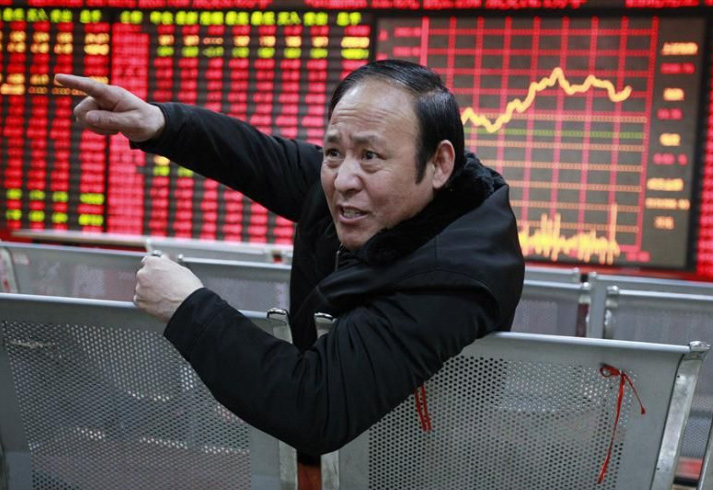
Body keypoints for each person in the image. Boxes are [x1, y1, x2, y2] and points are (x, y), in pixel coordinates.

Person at [55, 60, 525, 455]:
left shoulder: (455, 278)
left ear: (439, 164)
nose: (343, 179)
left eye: (370, 156)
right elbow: (260, 158)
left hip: (404, 475)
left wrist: (189, 308)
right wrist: (161, 124)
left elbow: (315, 407)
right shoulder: (365, 190)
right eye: (335, 151)